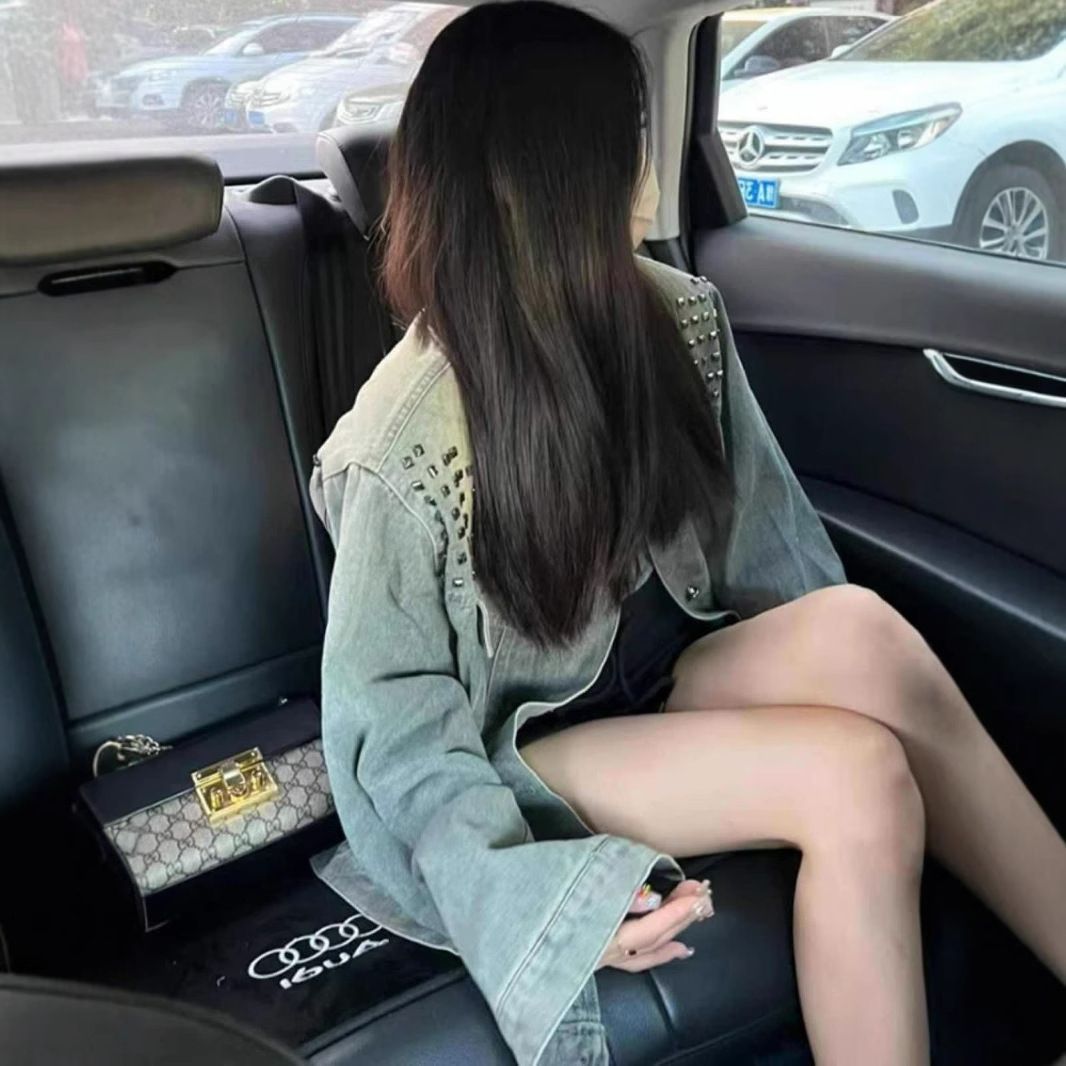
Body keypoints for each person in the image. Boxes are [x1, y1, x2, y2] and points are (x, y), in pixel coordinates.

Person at [309, 4, 1066, 1064]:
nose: (652, 180)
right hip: (532, 749)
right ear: (550, 181)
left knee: (859, 628)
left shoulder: (681, 318)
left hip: (671, 676)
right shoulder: (398, 449)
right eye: (627, 147)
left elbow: (773, 552)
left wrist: (818, 675)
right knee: (854, 776)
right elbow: (395, 739)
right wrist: (535, 900)